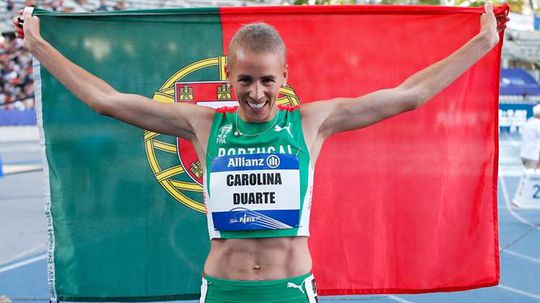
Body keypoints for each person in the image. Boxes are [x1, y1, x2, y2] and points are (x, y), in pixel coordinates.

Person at [14, 3, 506, 302]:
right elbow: (107, 101)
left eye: (267, 80)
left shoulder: (314, 121)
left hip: (289, 291)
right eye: (244, 79)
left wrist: (482, 42)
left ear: (284, 79)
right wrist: (39, 47)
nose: (255, 93)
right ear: (227, 78)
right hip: (224, 291)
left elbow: (409, 96)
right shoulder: (201, 124)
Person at [520, 104, 540, 169]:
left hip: (524, 154)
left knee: (526, 176)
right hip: (533, 156)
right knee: (532, 177)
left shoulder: (529, 121)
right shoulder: (538, 124)